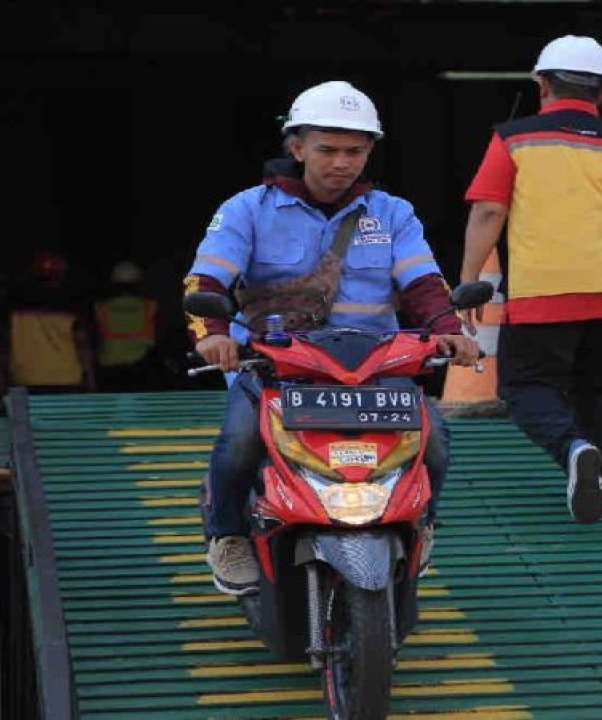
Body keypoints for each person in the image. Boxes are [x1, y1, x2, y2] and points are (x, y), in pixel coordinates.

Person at [183, 80, 481, 595]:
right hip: (276, 371)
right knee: (237, 445)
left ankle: (422, 523)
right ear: (296, 148)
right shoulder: (246, 209)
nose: (341, 162)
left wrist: (450, 331)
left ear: (369, 152)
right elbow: (204, 282)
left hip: (375, 370)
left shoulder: (393, 213)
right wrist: (212, 334)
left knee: (435, 441)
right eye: (327, 149)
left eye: (354, 151)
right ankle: (227, 535)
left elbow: (425, 284)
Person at [460, 35, 602, 524]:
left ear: (542, 84)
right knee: (597, 388)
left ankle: (573, 448)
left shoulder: (514, 138)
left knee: (524, 385)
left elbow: (490, 210)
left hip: (544, 293)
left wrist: (470, 283)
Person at [0, 250, 97, 400]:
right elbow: (82, 347)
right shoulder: (72, 310)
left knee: (23, 424)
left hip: (24, 379)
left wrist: (1, 382)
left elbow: (5, 348)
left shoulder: (14, 312)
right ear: (60, 277)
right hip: (66, 378)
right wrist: (91, 381)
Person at [94, 260, 160, 392]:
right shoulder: (150, 306)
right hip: (141, 365)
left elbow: (94, 337)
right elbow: (159, 335)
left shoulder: (101, 308)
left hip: (109, 367)